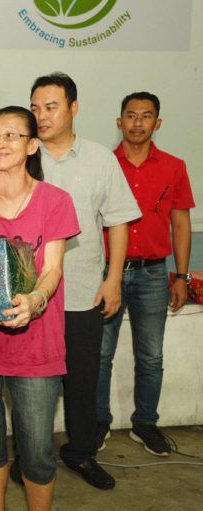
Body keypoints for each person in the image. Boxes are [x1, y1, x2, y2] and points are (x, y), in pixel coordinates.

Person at [0, 106, 79, 511]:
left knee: (38, 451)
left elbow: (53, 269)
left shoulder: (54, 201)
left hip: (36, 347)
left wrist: (36, 301)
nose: (0, 143)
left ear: (32, 145)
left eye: (12, 135)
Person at [29, 72, 141, 490]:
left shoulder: (100, 159)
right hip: (33, 295)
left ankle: (79, 452)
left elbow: (117, 224)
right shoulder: (23, 155)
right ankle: (29, 457)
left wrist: (113, 281)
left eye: (51, 107)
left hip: (82, 291)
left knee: (82, 379)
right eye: (36, 108)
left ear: (74, 108)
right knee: (32, 383)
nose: (42, 116)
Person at [96, 92, 195, 456]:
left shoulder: (173, 166)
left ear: (158, 123)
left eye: (146, 116)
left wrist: (180, 276)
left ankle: (145, 423)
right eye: (130, 116)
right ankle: (98, 421)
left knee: (151, 355)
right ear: (119, 121)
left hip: (154, 274)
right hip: (107, 273)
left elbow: (181, 223)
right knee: (100, 354)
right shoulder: (103, 164)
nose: (137, 123)